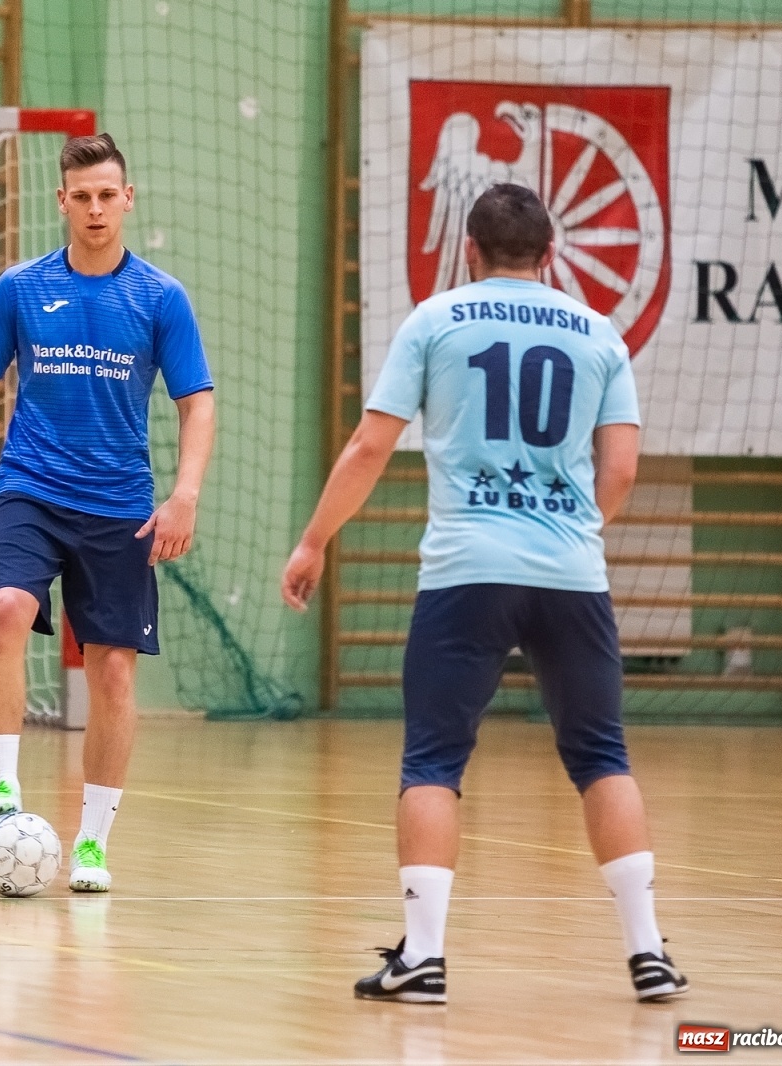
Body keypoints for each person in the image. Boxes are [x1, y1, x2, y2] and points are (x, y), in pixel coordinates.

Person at [281, 183, 688, 1003]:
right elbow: (622, 472)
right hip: (571, 572)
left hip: (467, 569)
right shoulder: (602, 335)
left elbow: (369, 446)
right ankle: (647, 953)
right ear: (550, 255)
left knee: (433, 759)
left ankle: (424, 958)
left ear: (470, 250)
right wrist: (569, 530)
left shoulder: (435, 321)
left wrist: (315, 540)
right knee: (602, 757)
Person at [0, 132, 216, 892]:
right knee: (9, 608)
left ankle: (91, 843)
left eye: (106, 194)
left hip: (118, 507)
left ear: (128, 198)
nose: (94, 208)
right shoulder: (22, 289)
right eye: (80, 196)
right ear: (61, 200)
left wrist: (184, 494)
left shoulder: (159, 297)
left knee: (113, 675)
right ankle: (2, 789)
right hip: (31, 488)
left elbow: (196, 403)